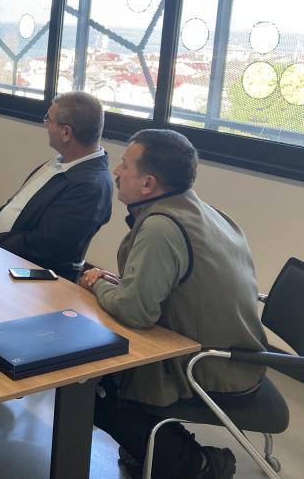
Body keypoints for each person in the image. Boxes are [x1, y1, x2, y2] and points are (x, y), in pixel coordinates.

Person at [79, 129, 267, 479]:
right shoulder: (205, 211)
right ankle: (156, 449)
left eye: (125, 165)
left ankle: (197, 463)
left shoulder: (161, 227)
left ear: (148, 183)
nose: (116, 171)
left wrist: (96, 284)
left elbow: (136, 312)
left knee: (90, 387)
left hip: (209, 365)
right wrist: (123, 286)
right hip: (241, 354)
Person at [0, 91, 112, 279]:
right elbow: (17, 204)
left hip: (27, 274)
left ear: (66, 132)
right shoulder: (60, 162)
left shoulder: (90, 186)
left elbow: (44, 246)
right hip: (0, 253)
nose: (45, 124)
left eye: (49, 119)